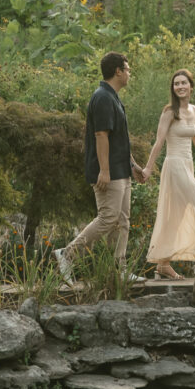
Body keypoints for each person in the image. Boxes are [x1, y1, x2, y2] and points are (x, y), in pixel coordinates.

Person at [57, 54, 143, 283]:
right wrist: (104, 171)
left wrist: (133, 165)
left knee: (122, 220)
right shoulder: (103, 97)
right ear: (118, 71)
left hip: (122, 169)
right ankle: (68, 253)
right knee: (108, 217)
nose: (129, 73)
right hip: (109, 171)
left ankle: (119, 269)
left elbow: (119, 139)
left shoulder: (112, 96)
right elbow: (101, 135)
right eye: (128, 68)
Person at [144, 69, 195, 280]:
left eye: (183, 83)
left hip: (187, 165)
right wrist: (148, 168)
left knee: (177, 217)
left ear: (191, 86)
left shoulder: (193, 110)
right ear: (173, 88)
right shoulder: (170, 112)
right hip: (175, 166)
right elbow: (159, 141)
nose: (180, 86)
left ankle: (163, 264)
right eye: (176, 84)